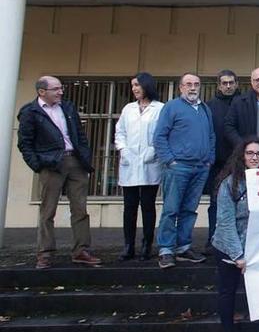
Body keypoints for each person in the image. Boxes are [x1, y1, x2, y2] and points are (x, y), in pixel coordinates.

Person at [17, 76, 102, 269]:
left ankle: (81, 250)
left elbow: (79, 135)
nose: (60, 92)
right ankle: (45, 253)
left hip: (75, 161)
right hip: (51, 164)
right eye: (56, 89)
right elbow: (25, 143)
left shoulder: (68, 108)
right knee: (48, 210)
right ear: (42, 92)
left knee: (80, 208)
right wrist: (38, 165)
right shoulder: (30, 112)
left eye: (60, 88)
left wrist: (85, 156)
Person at [212, 136, 259, 332]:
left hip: (256, 246)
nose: (254, 157)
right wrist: (237, 254)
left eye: (258, 153)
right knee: (227, 291)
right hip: (229, 246)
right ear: (241, 156)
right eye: (250, 153)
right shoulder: (229, 185)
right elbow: (225, 222)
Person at [153, 73, 215, 269]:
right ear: (181, 87)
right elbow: (159, 136)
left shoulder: (204, 109)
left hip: (200, 168)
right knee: (171, 209)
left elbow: (211, 136)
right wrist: (170, 161)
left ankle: (183, 247)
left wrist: (209, 160)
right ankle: (166, 250)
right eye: (188, 84)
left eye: (196, 84)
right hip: (178, 167)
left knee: (189, 210)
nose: (193, 87)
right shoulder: (172, 107)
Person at [114, 72, 164, 261]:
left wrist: (153, 150)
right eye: (132, 85)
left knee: (148, 206)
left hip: (150, 162)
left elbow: (162, 133)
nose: (134, 88)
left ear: (147, 86)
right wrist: (123, 149)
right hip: (129, 163)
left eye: (137, 85)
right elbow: (120, 132)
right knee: (130, 206)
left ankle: (146, 245)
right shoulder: (128, 109)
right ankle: (128, 245)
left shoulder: (160, 108)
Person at [206, 69, 240, 255]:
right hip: (217, 163)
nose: (228, 86)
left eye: (231, 83)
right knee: (216, 203)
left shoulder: (242, 104)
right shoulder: (209, 106)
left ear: (236, 84)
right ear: (218, 85)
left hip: (239, 162)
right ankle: (213, 241)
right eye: (224, 83)